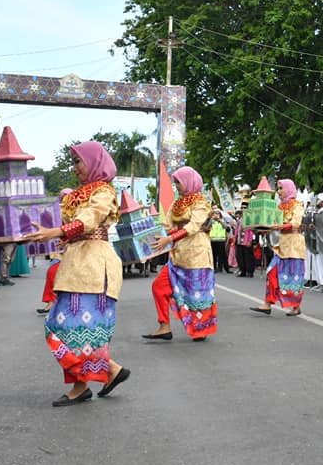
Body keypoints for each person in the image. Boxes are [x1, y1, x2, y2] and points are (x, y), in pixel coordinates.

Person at [23, 141, 130, 407]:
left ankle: (82, 386)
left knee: (78, 329)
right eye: (73, 162)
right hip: (74, 264)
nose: (75, 167)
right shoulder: (75, 195)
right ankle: (110, 370)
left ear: (94, 162)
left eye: (78, 161)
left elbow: (91, 219)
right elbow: (56, 220)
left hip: (95, 266)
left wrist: (57, 232)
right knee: (60, 326)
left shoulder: (103, 192)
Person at [144, 166, 217, 341]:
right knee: (158, 287)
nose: (177, 185)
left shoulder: (201, 203)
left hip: (197, 256)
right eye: (175, 182)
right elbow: (168, 226)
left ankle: (201, 329)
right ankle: (164, 326)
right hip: (177, 256)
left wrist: (169, 238)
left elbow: (193, 226)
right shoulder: (177, 204)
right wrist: (149, 232)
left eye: (179, 182)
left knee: (196, 295)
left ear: (189, 182)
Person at [250, 179, 305, 316]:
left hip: (294, 245)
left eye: (281, 188)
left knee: (293, 276)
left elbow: (296, 223)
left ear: (289, 189)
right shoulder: (279, 207)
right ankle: (267, 304)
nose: (279, 191)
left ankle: (296, 306)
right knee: (271, 272)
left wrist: (279, 226)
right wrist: (261, 228)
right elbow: (272, 223)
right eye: (278, 188)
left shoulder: (297, 205)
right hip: (281, 246)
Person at [208, 208, 230, 274]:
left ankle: (225, 268)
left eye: (218, 214)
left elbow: (227, 228)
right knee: (214, 255)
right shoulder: (211, 221)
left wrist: (220, 221)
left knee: (222, 255)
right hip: (213, 240)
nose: (216, 215)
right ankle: (214, 268)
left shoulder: (222, 221)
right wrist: (211, 220)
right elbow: (207, 227)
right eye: (215, 214)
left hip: (221, 240)